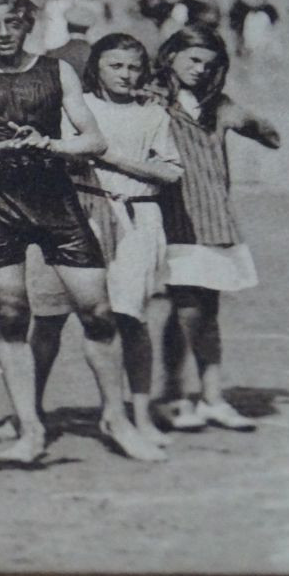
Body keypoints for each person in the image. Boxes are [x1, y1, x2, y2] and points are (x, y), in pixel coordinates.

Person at [0, 0, 164, 465]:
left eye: (12, 23)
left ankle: (115, 420)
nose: (2, 33)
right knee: (13, 316)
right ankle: (30, 430)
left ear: (28, 24)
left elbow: (93, 140)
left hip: (54, 198)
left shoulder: (55, 70)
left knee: (98, 313)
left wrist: (50, 145)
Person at [154, 24, 281, 430]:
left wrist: (249, 122)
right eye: (192, 60)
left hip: (213, 219)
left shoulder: (217, 105)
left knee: (205, 310)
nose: (199, 70)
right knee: (187, 308)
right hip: (174, 219)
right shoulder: (152, 101)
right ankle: (175, 395)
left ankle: (209, 396)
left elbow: (272, 137)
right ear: (170, 56)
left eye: (209, 65)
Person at [64, 34, 183, 445]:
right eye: (116, 66)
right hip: (88, 214)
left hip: (139, 218)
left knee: (132, 318)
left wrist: (114, 159)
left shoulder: (153, 115)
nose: (126, 74)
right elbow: (68, 155)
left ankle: (141, 415)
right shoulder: (82, 108)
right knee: (94, 317)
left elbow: (171, 172)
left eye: (133, 67)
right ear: (97, 65)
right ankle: (108, 413)